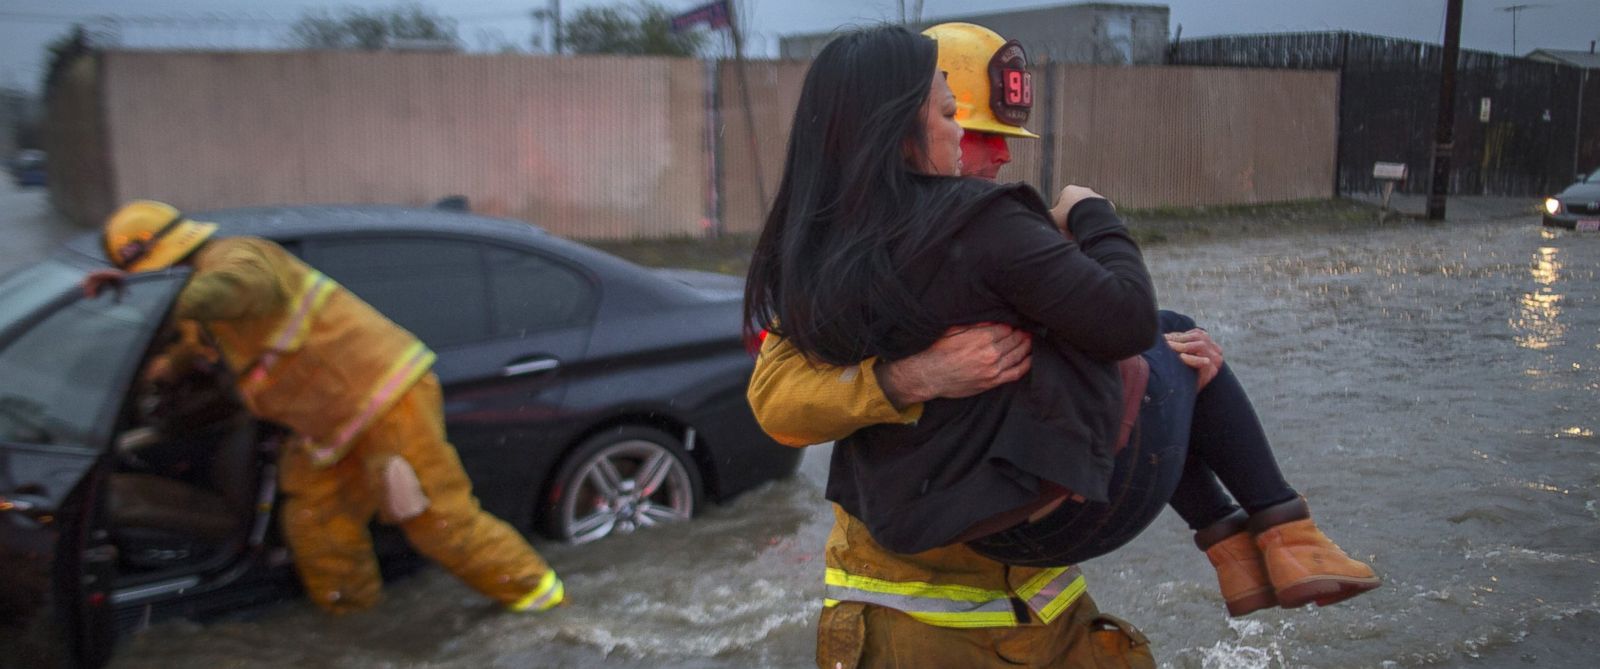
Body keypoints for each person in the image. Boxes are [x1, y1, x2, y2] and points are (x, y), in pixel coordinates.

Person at [744, 24, 1378, 666]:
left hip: (1047, 610)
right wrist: (913, 377)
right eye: (975, 129)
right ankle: (1269, 531)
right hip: (917, 624)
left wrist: (1175, 370)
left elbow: (1103, 345)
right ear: (895, 134)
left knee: (1173, 341)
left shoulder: (990, 229)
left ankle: (1244, 541)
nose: (999, 156)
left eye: (1006, 138)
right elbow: (776, 402)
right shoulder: (843, 262)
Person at [82, 200, 564, 615]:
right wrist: (164, 368)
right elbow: (200, 344)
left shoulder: (238, 257)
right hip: (326, 424)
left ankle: (544, 603)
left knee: (436, 520)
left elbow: (234, 290)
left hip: (384, 398)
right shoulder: (198, 296)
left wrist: (161, 295)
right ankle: (354, 619)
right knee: (316, 524)